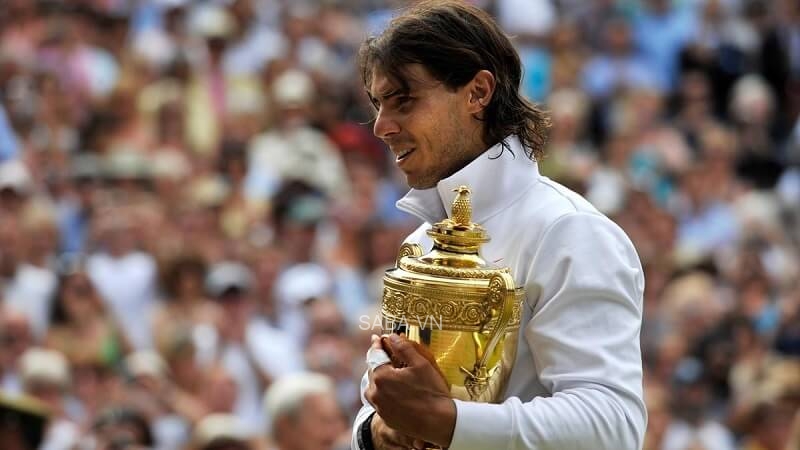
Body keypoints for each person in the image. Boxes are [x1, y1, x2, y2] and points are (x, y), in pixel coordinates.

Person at [351, 2, 646, 449]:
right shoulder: (421, 241)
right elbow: (385, 402)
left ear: (477, 92)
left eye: (403, 100)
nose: (381, 127)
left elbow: (613, 425)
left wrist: (446, 423)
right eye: (377, 105)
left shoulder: (570, 231)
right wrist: (377, 431)